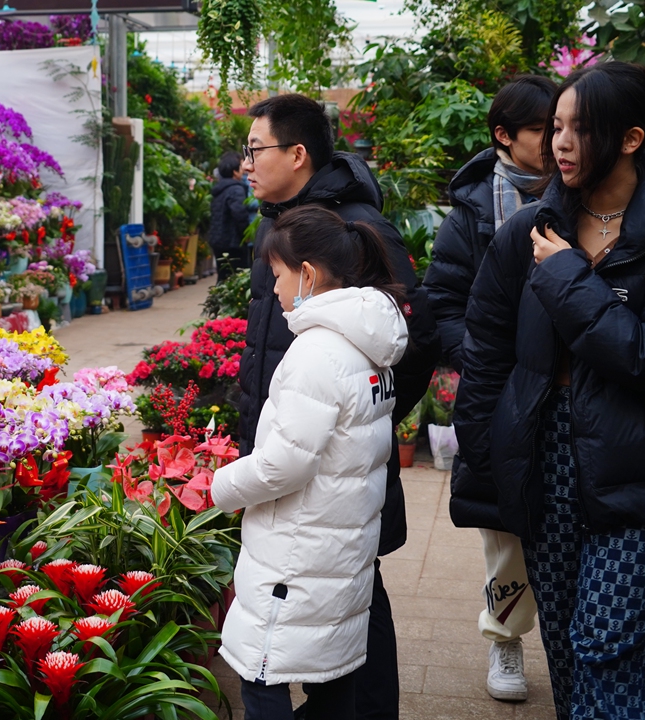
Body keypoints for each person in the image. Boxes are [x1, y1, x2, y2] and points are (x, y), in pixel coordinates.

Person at [453, 61, 645, 719]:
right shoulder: (529, 234)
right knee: (570, 642)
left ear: (631, 138)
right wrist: (486, 447)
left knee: (606, 631)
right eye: (556, 127)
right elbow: (486, 350)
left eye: (579, 128)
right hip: (545, 457)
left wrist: (572, 277)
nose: (560, 144)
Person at [236, 92, 440, 719]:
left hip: (330, 468)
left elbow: (413, 338)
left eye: (255, 149)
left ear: (297, 154)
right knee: (339, 604)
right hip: (295, 452)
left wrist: (357, 419)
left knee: (350, 603)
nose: (245, 163)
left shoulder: (354, 231)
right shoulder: (287, 225)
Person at [212, 205, 409, 720]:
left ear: (307, 274)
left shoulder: (316, 353)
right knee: (332, 684)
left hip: (296, 553)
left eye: (277, 275)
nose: (274, 290)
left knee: (262, 676)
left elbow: (282, 466)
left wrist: (219, 486)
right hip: (338, 547)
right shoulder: (367, 345)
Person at [423, 74, 556, 702]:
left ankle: (572, 641)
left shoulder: (584, 193)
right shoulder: (474, 210)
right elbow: (441, 300)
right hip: (499, 393)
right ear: (504, 135)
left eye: (564, 128)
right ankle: (506, 643)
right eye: (543, 130)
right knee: (504, 532)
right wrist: (481, 357)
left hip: (568, 387)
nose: (558, 141)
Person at [209, 151, 252, 281]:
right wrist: (246, 235)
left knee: (223, 276)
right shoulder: (236, 189)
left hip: (218, 241)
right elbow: (239, 214)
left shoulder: (220, 189)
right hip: (233, 243)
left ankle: (217, 301)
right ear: (235, 171)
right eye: (240, 165)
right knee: (238, 277)